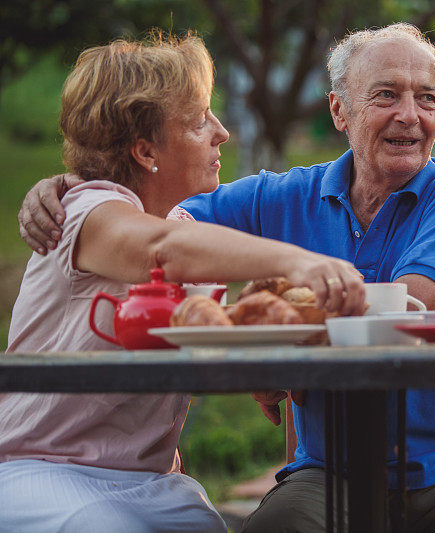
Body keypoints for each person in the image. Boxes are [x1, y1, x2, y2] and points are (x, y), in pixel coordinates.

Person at [18, 23, 435, 532]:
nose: (410, 115)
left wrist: (281, 328)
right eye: (386, 95)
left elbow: (404, 308)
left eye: (427, 98)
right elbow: (163, 230)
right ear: (339, 110)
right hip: (331, 473)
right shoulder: (280, 196)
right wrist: (71, 187)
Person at [2, 33, 366, 533]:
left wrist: (254, 367)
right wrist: (302, 262)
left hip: (151, 481)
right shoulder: (82, 212)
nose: (221, 132)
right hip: (44, 471)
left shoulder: (185, 228)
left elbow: (198, 340)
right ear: (145, 149)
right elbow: (158, 252)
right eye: (198, 121)